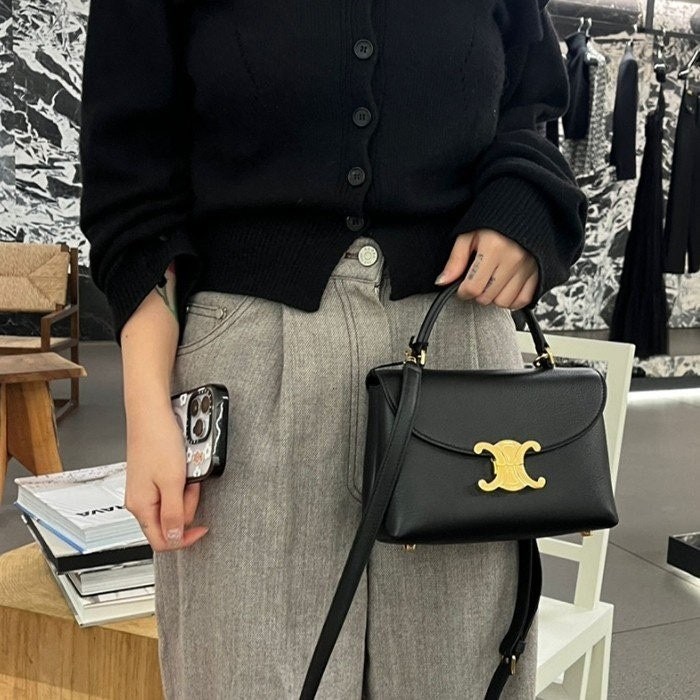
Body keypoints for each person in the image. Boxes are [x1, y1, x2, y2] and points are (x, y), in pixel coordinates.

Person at [78, 1, 587, 698]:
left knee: (458, 676)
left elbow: (527, 111)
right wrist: (145, 411)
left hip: (458, 355)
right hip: (251, 367)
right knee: (248, 678)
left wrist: (520, 208)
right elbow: (133, 183)